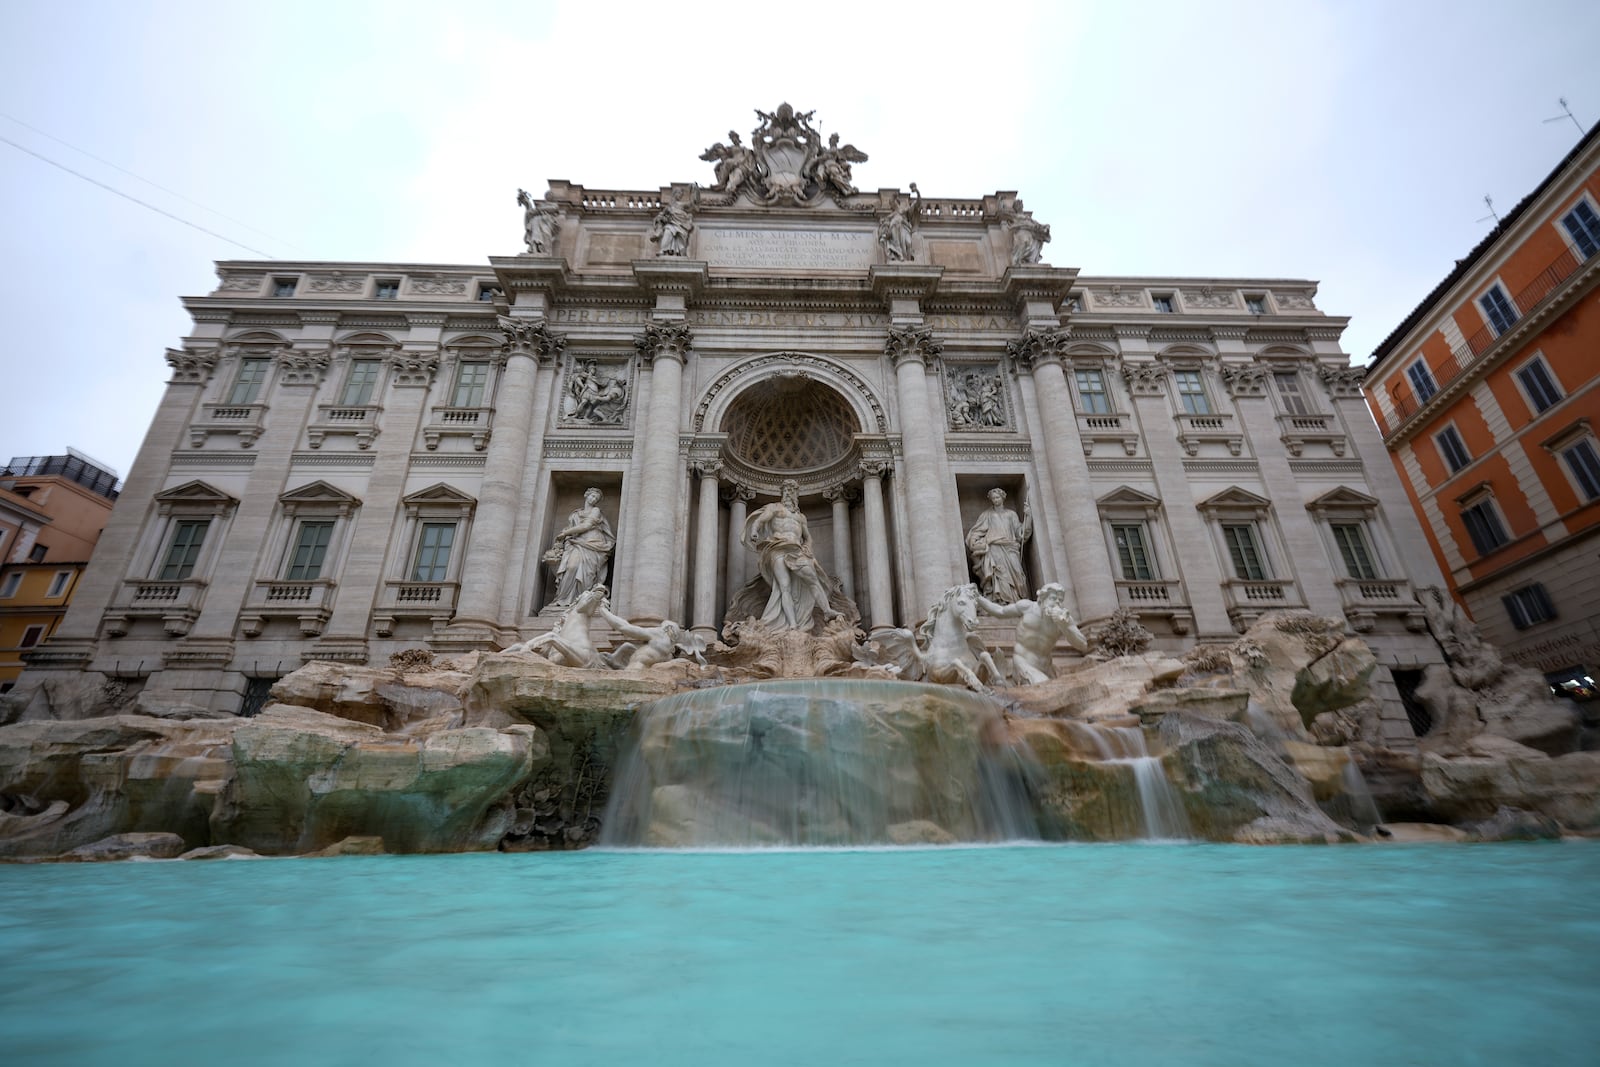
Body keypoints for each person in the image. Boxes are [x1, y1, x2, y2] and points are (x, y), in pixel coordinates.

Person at [741, 479, 842, 632]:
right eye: (787, 491)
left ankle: (827, 611)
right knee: (784, 587)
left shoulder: (800, 517)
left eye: (792, 491)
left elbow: (807, 537)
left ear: (796, 495)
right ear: (782, 493)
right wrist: (754, 531)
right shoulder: (775, 508)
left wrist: (808, 547)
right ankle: (793, 624)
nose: (789, 494)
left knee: (813, 579)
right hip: (777, 548)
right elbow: (760, 521)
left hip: (796, 550)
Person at [975, 583, 1087, 685]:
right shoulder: (1028, 607)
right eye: (1053, 598)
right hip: (1023, 663)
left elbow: (1082, 645)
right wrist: (977, 597)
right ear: (1042, 598)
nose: (1057, 603)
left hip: (1047, 668)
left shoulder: (1064, 619)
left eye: (1060, 600)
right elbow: (1000, 611)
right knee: (1046, 687)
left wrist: (1064, 626)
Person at [547, 488, 615, 607]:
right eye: (592, 496)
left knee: (588, 574)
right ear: (586, 495)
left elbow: (587, 525)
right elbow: (572, 528)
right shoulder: (575, 514)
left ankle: (583, 602)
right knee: (572, 566)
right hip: (577, 542)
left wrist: (565, 533)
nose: (594, 499)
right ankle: (563, 599)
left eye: (596, 498)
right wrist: (565, 536)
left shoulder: (596, 510)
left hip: (594, 543)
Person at [965, 488, 1033, 604]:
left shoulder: (1011, 514)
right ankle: (1001, 601)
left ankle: (1017, 600)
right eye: (993, 498)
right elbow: (976, 532)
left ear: (1003, 498)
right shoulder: (987, 515)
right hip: (994, 548)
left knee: (1017, 574)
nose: (996, 500)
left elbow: (1020, 533)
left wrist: (1028, 517)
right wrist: (976, 543)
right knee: (1000, 575)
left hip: (1011, 547)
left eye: (997, 497)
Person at [878, 185, 920, 262]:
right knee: (898, 243)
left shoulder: (905, 210)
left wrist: (917, 192)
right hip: (894, 228)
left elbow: (917, 204)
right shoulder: (892, 215)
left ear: (898, 203)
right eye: (892, 204)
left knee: (908, 243)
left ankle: (907, 258)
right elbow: (884, 222)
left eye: (894, 203)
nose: (892, 205)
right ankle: (900, 255)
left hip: (904, 228)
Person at [517, 188, 557, 255]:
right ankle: (535, 249)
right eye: (547, 195)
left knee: (546, 234)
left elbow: (553, 209)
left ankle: (544, 250)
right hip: (537, 221)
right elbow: (530, 212)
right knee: (536, 235)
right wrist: (527, 203)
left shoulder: (553, 205)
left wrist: (540, 209)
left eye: (550, 195)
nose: (549, 196)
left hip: (546, 222)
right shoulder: (541, 205)